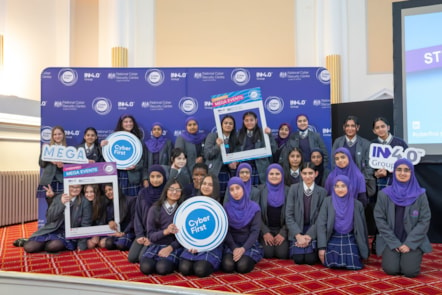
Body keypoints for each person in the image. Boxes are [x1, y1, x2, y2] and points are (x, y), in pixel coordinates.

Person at [374, 159, 431, 278]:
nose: (402, 173)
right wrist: (394, 242)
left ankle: (411, 254)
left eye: (406, 170)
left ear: (412, 172)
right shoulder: (384, 194)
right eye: (399, 169)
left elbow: (424, 220)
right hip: (390, 240)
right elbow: (379, 219)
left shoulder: (420, 194)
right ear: (394, 172)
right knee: (391, 270)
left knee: (410, 272)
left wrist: (409, 243)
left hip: (412, 240)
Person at [317, 175, 369, 270]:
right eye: (337, 186)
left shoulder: (357, 205)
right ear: (333, 187)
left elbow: (363, 228)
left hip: (350, 238)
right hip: (333, 237)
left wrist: (364, 250)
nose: (340, 189)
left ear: (349, 187)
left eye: (343, 186)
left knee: (353, 263)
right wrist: (322, 248)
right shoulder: (327, 202)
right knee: (332, 263)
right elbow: (321, 225)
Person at [24, 184, 92, 253]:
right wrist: (61, 203)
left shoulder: (85, 202)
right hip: (53, 229)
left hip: (69, 233)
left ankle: (47, 243)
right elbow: (50, 218)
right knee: (29, 247)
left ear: (81, 188)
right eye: (72, 187)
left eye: (78, 187)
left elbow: (86, 224)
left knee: (52, 246)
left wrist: (82, 243)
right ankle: (42, 242)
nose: (75, 189)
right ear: (67, 186)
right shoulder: (58, 197)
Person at [179, 174, 223, 277]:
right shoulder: (192, 203)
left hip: (211, 246)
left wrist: (204, 244)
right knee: (184, 269)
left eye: (210, 185)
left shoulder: (219, 207)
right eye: (204, 183)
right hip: (192, 245)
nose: (206, 187)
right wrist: (189, 244)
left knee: (200, 270)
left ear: (215, 187)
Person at [285, 162, 327, 265]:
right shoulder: (294, 189)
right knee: (298, 259)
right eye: (304, 173)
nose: (307, 176)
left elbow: (321, 218)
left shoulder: (322, 192)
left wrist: (309, 236)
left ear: (316, 174)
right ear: (301, 174)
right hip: (297, 227)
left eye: (310, 173)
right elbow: (289, 215)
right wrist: (298, 235)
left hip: (313, 229)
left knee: (310, 259)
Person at [139, 180, 184, 275]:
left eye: (178, 190)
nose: (174, 192)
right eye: (171, 189)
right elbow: (151, 236)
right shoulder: (154, 209)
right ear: (166, 191)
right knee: (146, 267)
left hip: (173, 246)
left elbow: (185, 236)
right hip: (156, 244)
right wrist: (166, 231)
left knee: (162, 268)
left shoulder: (183, 210)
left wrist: (171, 247)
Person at [222, 177, 263, 274]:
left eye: (238, 188)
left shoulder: (254, 207)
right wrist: (234, 248)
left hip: (249, 244)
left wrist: (243, 249)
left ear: (243, 188)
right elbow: (225, 231)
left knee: (242, 266)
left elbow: (255, 231)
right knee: (228, 266)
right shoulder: (226, 208)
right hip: (232, 243)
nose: (235, 192)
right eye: (232, 189)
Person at [128, 165, 167, 263]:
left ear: (164, 177)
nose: (155, 180)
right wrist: (140, 235)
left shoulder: (166, 194)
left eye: (158, 176)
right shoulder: (143, 193)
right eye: (152, 176)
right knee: (132, 258)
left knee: (142, 258)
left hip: (157, 235)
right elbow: (137, 215)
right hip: (143, 232)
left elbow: (166, 220)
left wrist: (152, 238)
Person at [331, 115, 375, 198]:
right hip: (341, 185)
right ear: (344, 127)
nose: (350, 128)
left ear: (357, 127)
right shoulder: (338, 142)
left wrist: (360, 181)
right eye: (347, 126)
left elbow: (369, 167)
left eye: (352, 126)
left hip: (360, 184)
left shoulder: (366, 144)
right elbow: (334, 163)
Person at [102, 114, 146, 197]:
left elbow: (143, 161)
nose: (128, 123)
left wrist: (135, 166)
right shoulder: (112, 139)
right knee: (119, 201)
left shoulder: (138, 141)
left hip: (133, 176)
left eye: (130, 121)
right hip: (118, 175)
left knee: (133, 201)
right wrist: (103, 147)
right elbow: (106, 157)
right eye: (125, 122)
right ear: (121, 124)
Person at [257, 164, 289, 259]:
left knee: (282, 254)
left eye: (277, 174)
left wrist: (283, 233)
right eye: (271, 174)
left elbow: (292, 215)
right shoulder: (260, 190)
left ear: (282, 175)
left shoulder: (289, 191)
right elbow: (256, 214)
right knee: (267, 253)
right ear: (267, 175)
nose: (274, 176)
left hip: (282, 229)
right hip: (266, 228)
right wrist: (265, 232)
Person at [236, 111, 276, 185]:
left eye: (251, 120)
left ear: (256, 121)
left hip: (259, 169)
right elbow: (235, 150)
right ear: (243, 121)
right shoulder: (239, 133)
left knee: (259, 191)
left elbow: (274, 149)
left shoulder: (263, 132)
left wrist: (269, 135)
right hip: (244, 169)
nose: (249, 122)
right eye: (246, 120)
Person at [204, 115, 238, 198]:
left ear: (233, 127)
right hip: (215, 172)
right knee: (214, 196)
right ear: (221, 125)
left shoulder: (235, 139)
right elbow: (207, 155)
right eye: (225, 123)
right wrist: (217, 146)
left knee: (226, 198)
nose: (228, 125)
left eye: (230, 123)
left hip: (228, 174)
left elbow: (238, 154)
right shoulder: (212, 136)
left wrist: (236, 161)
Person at [371, 117, 408, 191]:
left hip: (397, 181)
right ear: (374, 131)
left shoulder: (400, 143)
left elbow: (408, 163)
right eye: (377, 127)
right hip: (379, 183)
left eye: (383, 126)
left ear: (388, 127)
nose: (380, 129)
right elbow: (366, 165)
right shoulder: (371, 145)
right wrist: (375, 173)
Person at [100, 183, 136, 251]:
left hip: (129, 230)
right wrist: (110, 221)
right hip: (117, 231)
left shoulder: (131, 200)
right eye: (106, 191)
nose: (108, 192)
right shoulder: (108, 203)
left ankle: (130, 242)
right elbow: (109, 218)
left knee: (121, 245)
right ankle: (119, 240)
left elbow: (134, 220)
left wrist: (124, 232)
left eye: (110, 189)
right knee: (108, 244)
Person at [37, 126, 67, 205]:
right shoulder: (46, 148)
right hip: (48, 180)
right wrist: (48, 159)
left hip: (62, 180)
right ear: (52, 136)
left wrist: (63, 166)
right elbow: (41, 164)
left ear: (63, 135)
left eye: (59, 134)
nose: (57, 136)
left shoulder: (68, 149)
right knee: (51, 206)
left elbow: (71, 167)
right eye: (55, 134)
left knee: (62, 206)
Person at [83, 184, 107, 249]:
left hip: (101, 229)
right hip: (87, 230)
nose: (89, 194)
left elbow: (102, 221)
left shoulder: (102, 201)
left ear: (96, 192)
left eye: (91, 192)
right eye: (86, 192)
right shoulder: (83, 203)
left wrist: (97, 235)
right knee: (89, 245)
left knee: (103, 244)